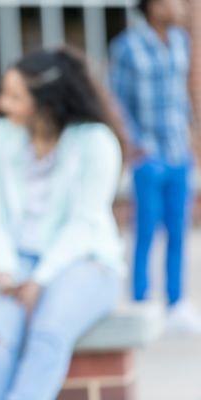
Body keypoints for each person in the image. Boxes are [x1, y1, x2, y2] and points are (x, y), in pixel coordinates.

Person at [0, 47, 125, 400]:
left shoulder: (97, 143)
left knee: (48, 334)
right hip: (14, 261)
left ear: (46, 102)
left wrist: (40, 279)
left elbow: (85, 224)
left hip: (85, 263)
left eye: (15, 96)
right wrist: (4, 270)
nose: (3, 105)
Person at [109, 0, 201, 334]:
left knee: (179, 230)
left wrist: (193, 136)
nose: (177, 6)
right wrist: (134, 143)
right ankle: (142, 301)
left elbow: (184, 94)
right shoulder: (127, 46)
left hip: (179, 152)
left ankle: (176, 302)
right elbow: (115, 100)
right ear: (151, 6)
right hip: (149, 154)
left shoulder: (181, 41)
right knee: (146, 231)